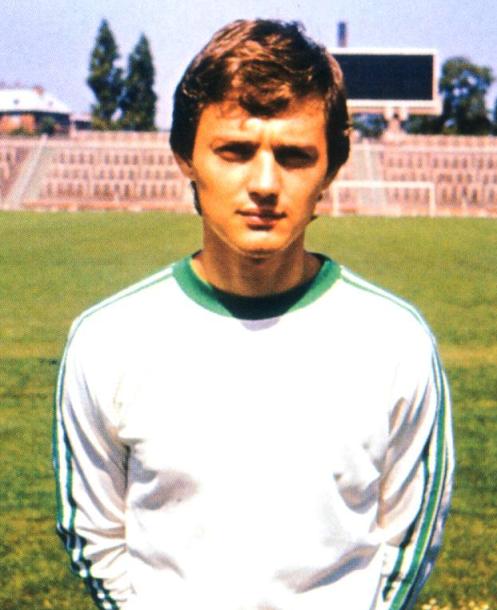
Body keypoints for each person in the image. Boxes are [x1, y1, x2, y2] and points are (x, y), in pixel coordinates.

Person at [53, 19, 454, 610]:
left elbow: (410, 539)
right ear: (186, 157)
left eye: (294, 156)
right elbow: (93, 533)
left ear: (331, 169)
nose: (265, 183)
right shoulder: (106, 341)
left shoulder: (396, 342)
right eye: (235, 151)